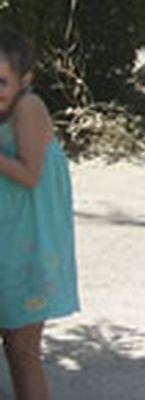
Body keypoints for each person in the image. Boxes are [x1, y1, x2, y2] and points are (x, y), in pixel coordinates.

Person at [0, 27, 78, 400]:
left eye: (0, 81)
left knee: (22, 349)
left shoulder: (28, 107)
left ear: (24, 80)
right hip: (6, 239)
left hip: (27, 243)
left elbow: (30, 175)